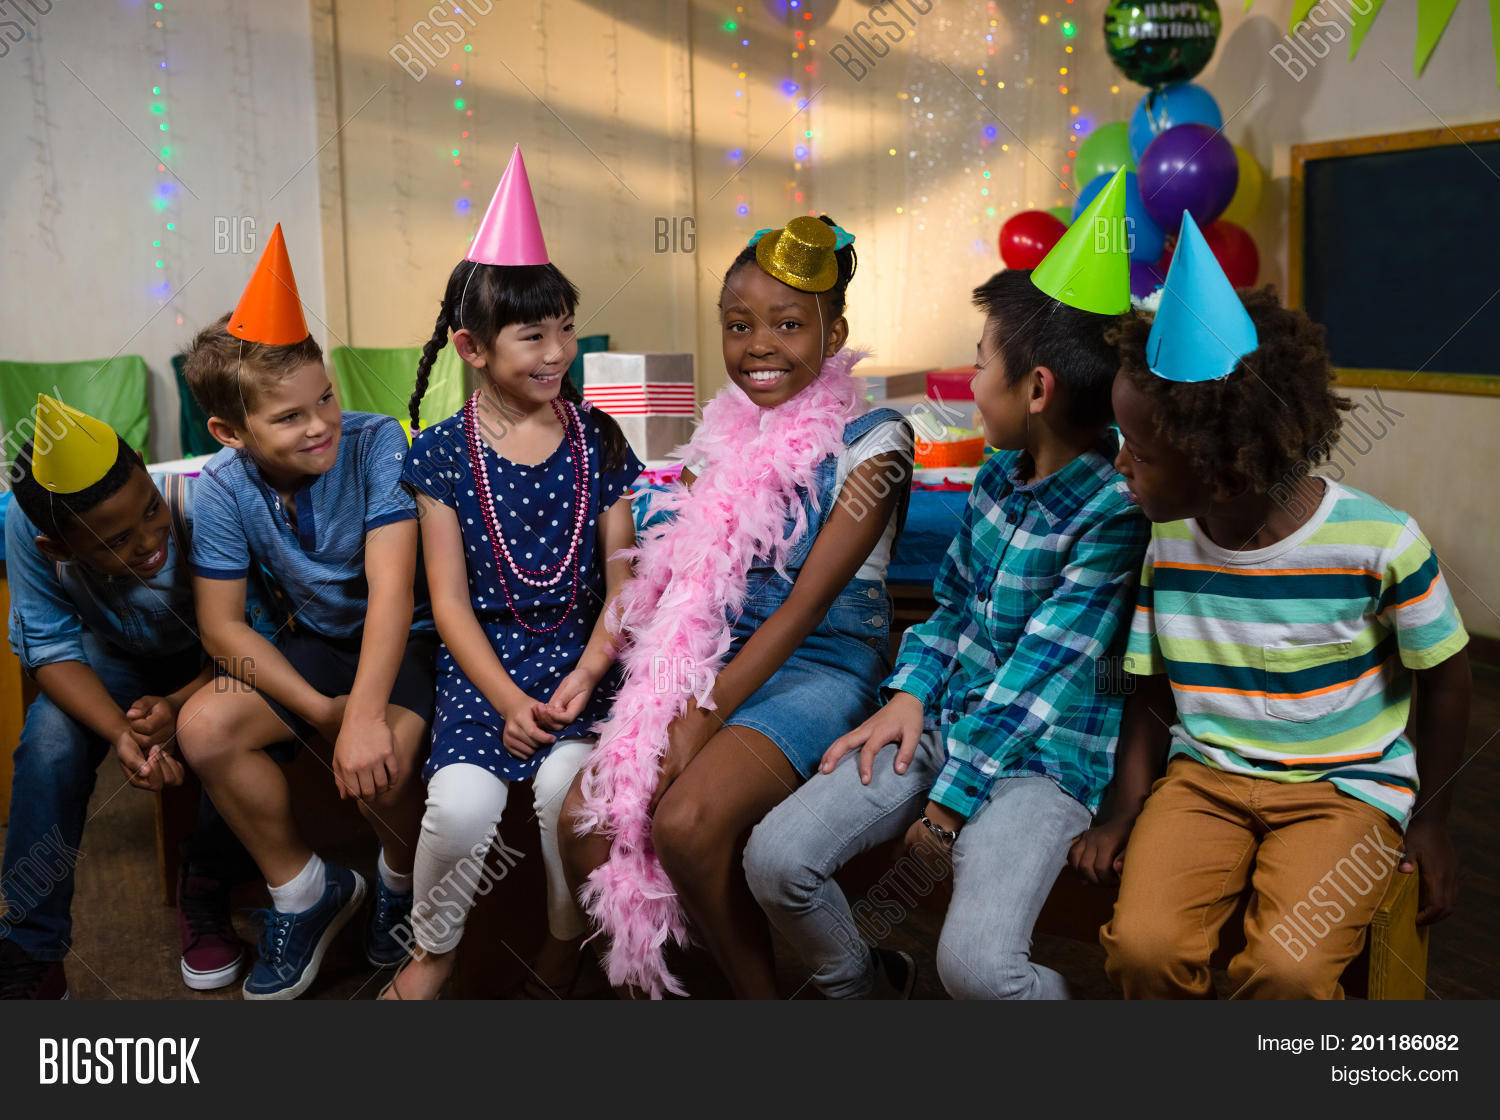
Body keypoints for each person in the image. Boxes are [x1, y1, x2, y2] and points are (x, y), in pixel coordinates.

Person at [745, 170, 1148, 1000]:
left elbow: (1037, 685)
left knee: (977, 973)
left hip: (1041, 764)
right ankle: (860, 982)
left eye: (979, 364)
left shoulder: (1112, 515)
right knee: (776, 859)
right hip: (942, 724)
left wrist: (947, 808)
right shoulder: (996, 478)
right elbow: (952, 609)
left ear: (1035, 390)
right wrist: (908, 694)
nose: (968, 382)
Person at [1085, 214, 1471, 999]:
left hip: (1346, 792)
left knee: (1289, 973)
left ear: (1224, 471)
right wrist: (1124, 807)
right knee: (1142, 950)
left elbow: (1451, 676)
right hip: (1204, 781)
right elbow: (1149, 685)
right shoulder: (1168, 541)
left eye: (1140, 451)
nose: (1118, 463)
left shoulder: (1380, 542)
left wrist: (1430, 821)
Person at [560, 214, 914, 998]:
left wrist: (698, 719)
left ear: (835, 332)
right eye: (738, 325)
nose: (760, 345)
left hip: (821, 661)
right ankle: (676, 990)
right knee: (589, 813)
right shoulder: (725, 431)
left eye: (789, 325)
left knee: (687, 824)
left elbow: (799, 613)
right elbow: (683, 566)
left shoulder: (877, 441)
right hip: (721, 653)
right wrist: (639, 683)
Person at [380, 147, 641, 1000]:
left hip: (579, 668)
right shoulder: (442, 456)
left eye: (566, 327)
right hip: (481, 678)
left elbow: (624, 579)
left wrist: (588, 673)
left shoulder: (599, 438)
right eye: (534, 334)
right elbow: (448, 604)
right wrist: (504, 702)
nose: (558, 349)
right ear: (474, 347)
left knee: (571, 790)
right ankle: (434, 949)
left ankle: (566, 942)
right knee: (458, 808)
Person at [175, 224, 436, 1000]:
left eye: (324, 397)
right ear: (230, 432)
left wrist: (358, 716)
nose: (320, 423)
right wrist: (322, 708)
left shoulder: (379, 442)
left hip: (410, 643)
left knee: (380, 750)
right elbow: (221, 626)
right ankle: (304, 889)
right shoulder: (220, 488)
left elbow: (393, 591)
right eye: (288, 417)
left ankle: (397, 877)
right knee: (203, 727)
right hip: (321, 649)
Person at [1, 396, 266, 999]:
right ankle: (31, 946)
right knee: (48, 743)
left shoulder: (200, 502)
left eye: (150, 509)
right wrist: (121, 732)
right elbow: (48, 645)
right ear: (60, 551)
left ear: (147, 468)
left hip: (220, 655)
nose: (151, 539)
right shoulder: (29, 529)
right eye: (116, 542)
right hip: (113, 657)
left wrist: (182, 701)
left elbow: (259, 639)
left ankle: (204, 885)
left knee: (225, 724)